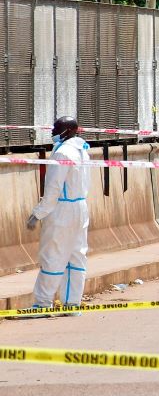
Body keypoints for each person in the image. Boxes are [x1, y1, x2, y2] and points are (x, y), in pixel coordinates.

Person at [26, 116, 91, 311]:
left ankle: (42, 304)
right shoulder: (82, 151)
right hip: (81, 208)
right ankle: (72, 303)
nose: (53, 132)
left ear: (68, 131)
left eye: (57, 128)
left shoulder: (63, 153)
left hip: (62, 210)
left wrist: (37, 214)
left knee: (52, 256)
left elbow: (53, 189)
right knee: (76, 256)